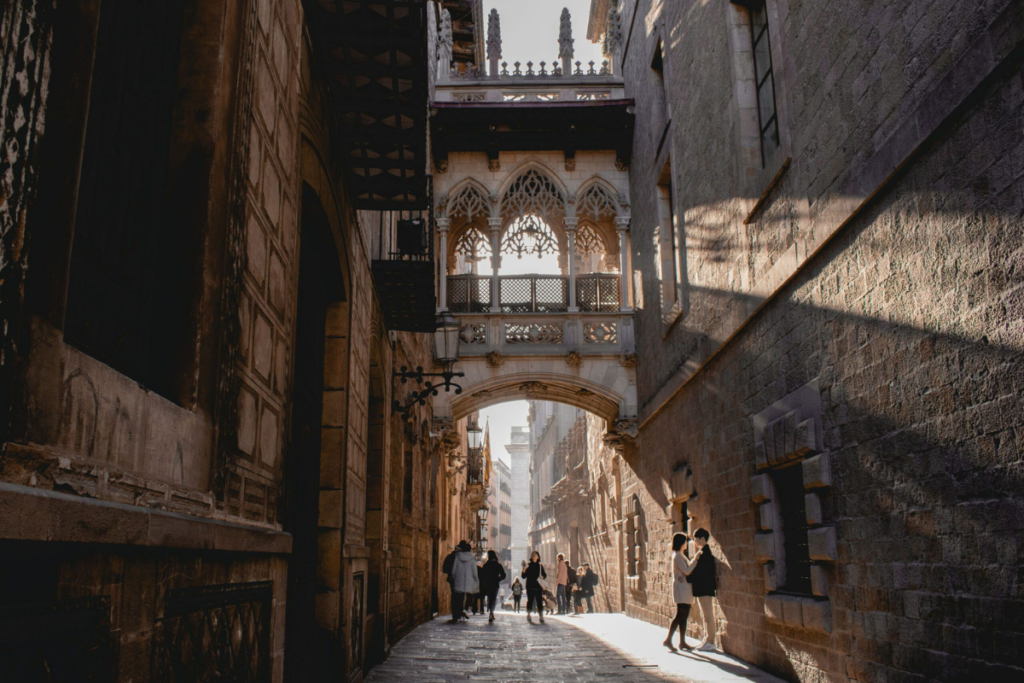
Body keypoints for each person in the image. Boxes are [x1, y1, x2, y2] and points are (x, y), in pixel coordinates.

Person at [664, 532, 697, 651]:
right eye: (685, 541)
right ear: (681, 543)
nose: (687, 544)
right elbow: (687, 571)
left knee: (685, 615)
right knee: (680, 614)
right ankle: (668, 640)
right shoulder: (677, 556)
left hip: (684, 588)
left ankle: (682, 642)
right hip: (681, 588)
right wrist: (695, 560)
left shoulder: (680, 555)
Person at [689, 528, 718, 652]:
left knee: (708, 615)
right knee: (704, 615)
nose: (694, 541)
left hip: (705, 588)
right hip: (702, 588)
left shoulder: (704, 554)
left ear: (702, 538)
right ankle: (707, 639)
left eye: (696, 538)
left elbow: (702, 572)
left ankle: (711, 641)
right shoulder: (702, 552)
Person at [451, 541, 480, 624]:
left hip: (459, 580)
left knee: (459, 598)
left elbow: (454, 570)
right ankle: (465, 609)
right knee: (469, 596)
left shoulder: (457, 557)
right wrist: (476, 580)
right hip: (469, 581)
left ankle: (460, 612)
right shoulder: (472, 559)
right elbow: (475, 572)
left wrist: (454, 577)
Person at [479, 550, 507, 622]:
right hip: (495, 584)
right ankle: (491, 612)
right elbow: (503, 575)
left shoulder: (486, 565)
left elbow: (482, 575)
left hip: (488, 584)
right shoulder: (498, 565)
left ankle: (490, 611)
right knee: (493, 598)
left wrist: (484, 581)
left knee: (489, 597)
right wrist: (498, 579)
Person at [521, 550, 547, 624]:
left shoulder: (540, 566)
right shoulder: (528, 565)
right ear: (531, 557)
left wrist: (542, 576)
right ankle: (529, 614)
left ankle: (541, 616)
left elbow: (545, 575)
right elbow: (523, 576)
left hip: (538, 587)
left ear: (538, 556)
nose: (534, 555)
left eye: (535, 554)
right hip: (530, 586)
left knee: (539, 602)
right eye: (533, 554)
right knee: (530, 601)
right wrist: (523, 570)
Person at [443, 543, 461, 623]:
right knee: (459, 597)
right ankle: (457, 613)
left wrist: (450, 573)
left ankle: (455, 614)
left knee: (454, 596)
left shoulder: (449, 557)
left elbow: (444, 569)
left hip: (452, 580)